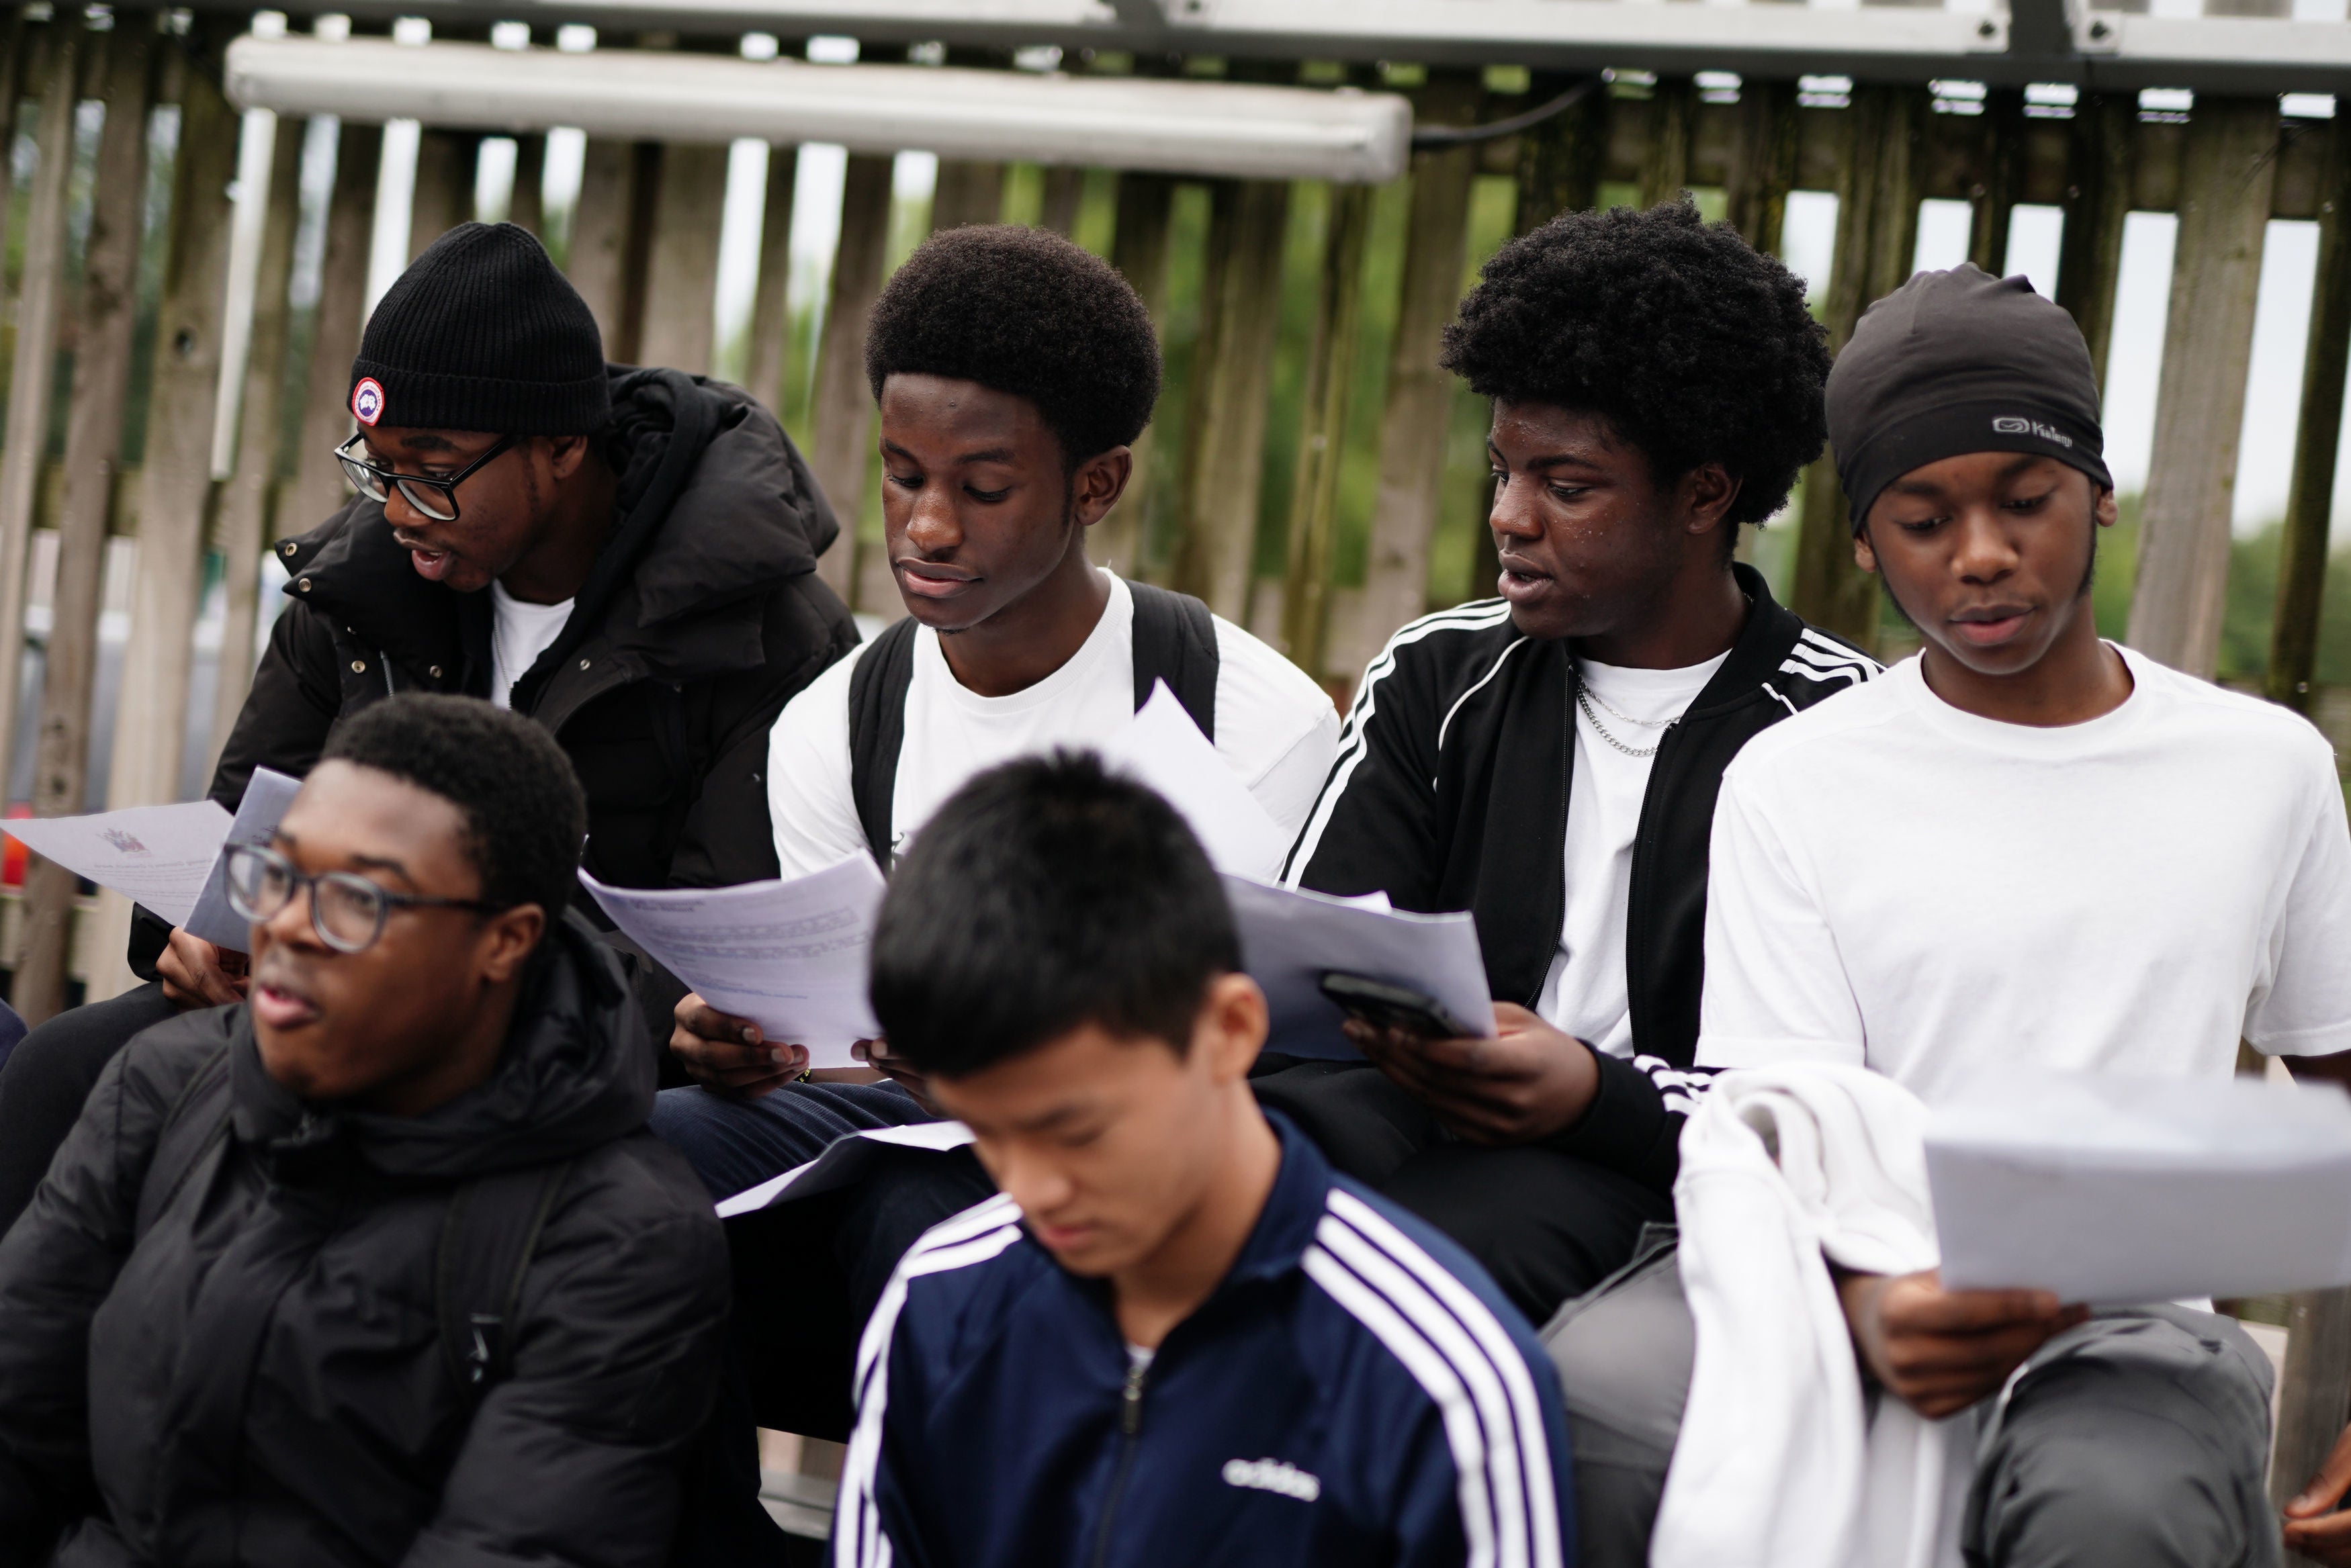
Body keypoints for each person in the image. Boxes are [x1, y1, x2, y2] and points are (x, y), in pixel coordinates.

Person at [1548, 265, 2351, 1565]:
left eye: (2024, 502)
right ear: (1862, 543)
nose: (1980, 555)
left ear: (2098, 495)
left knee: (2115, 1508)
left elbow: (2338, 1081)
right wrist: (1871, 1307)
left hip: (2124, 1306)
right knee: (1595, 1407)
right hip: (1835, 1266)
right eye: (1920, 520)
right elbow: (1788, 1117)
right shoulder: (1796, 777)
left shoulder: (2261, 767)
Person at [0, 220, 856, 1231]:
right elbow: (237, 832)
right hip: (330, 1003)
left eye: (431, 468)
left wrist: (428, 985)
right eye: (376, 465)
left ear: (561, 447)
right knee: (65, 1064)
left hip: (571, 1063)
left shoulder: (760, 628)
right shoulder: (360, 587)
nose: (398, 507)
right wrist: (191, 937)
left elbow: (721, 959)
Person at [1267, 198, 1871, 1324]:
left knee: (1408, 1268)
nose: (1510, 516)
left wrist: (1594, 1096)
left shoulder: (1833, 729)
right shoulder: (1440, 676)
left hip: (1660, 1175)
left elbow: (1823, 1103)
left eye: (1567, 484)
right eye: (1503, 471)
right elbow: (1308, 961)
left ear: (1705, 493)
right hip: (1405, 1121)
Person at [654, 224, 1338, 1193]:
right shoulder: (842, 717)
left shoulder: (1249, 721)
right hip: (912, 1125)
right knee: (660, 1143)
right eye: (903, 475)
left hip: (1144, 1163)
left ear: (1095, 484)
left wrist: (1009, 1076)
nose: (927, 527)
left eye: (983, 488)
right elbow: (847, 1062)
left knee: (908, 1206)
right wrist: (761, 1045)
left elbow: (1262, 1060)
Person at [0, 694, 729, 1567]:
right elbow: (15, 1420)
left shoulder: (619, 1236)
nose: (289, 926)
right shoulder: (169, 1081)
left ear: (505, 941)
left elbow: (520, 1543)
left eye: (356, 898)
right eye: (278, 875)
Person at [835, 751, 1575, 1567]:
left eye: (1077, 1131)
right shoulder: (938, 1301)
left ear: (1227, 1031)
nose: (1031, 1189)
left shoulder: (1438, 1370)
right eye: (987, 1132)